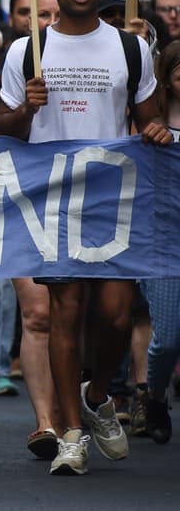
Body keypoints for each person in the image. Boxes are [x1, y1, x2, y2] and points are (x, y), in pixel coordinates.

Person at [0, 0, 171, 476]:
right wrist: (25, 109)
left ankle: (97, 395)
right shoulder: (26, 50)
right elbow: (0, 133)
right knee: (64, 310)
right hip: (54, 196)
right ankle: (72, 432)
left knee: (117, 315)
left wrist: (157, 130)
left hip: (113, 198)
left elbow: (149, 117)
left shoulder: (129, 48)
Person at [141, 41, 180, 444]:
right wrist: (148, 138)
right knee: (167, 338)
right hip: (163, 243)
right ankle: (154, 394)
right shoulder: (149, 122)